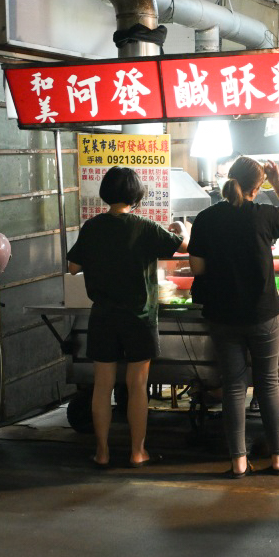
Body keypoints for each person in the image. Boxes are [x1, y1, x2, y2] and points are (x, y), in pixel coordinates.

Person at [188, 156, 279, 478]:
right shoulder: (264, 214)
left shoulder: (206, 218)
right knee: (268, 384)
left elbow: (196, 268)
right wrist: (278, 185)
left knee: (233, 387)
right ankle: (278, 458)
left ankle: (238, 462)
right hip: (263, 313)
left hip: (222, 314)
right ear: (257, 186)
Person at [67, 166, 189, 469]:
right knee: (137, 385)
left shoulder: (92, 227)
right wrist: (182, 230)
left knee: (102, 386)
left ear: (105, 193)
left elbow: (73, 267)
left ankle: (102, 452)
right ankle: (137, 452)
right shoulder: (144, 227)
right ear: (136, 195)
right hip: (139, 316)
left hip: (103, 316)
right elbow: (184, 247)